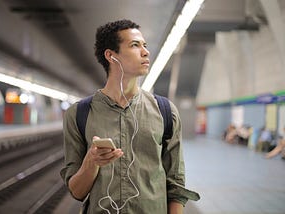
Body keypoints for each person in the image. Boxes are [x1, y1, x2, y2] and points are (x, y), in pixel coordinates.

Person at [60, 19, 199, 214]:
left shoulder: (165, 111)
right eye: (135, 45)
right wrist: (91, 162)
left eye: (145, 45)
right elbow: (76, 191)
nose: (145, 52)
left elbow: (176, 185)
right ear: (111, 55)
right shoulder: (79, 114)